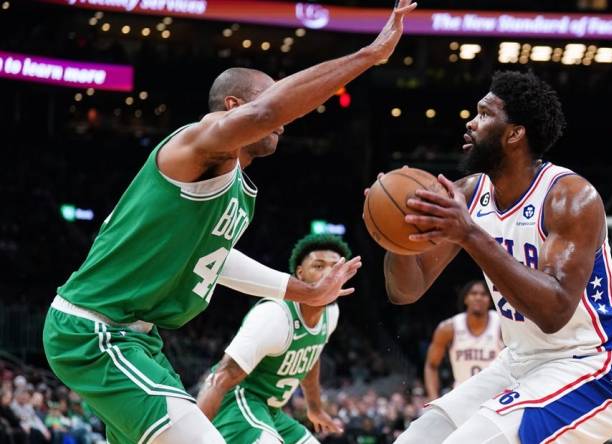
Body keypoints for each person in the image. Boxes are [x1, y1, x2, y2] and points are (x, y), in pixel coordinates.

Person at [42, 2, 417, 443]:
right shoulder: (197, 142)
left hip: (138, 338)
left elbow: (216, 261)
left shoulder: (234, 186)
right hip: (96, 330)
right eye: (270, 99)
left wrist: (308, 291)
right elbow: (268, 114)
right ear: (233, 107)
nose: (283, 121)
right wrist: (369, 56)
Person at [384, 70, 612, 443]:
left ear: (514, 133)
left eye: (485, 114)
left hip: (596, 365)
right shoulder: (470, 194)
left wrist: (470, 233)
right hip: (519, 361)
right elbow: (405, 291)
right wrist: (399, 234)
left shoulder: (569, 197)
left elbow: (554, 311)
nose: (471, 123)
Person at [196, 234, 351, 444]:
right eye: (319, 266)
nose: (328, 274)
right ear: (300, 274)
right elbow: (221, 378)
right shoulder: (275, 315)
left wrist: (314, 409)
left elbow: (311, 356)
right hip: (235, 400)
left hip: (270, 411)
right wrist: (191, 434)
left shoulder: (331, 314)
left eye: (335, 267)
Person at [424, 280, 502, 401]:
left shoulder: (501, 325)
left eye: (483, 294)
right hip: (463, 396)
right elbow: (431, 365)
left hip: (496, 397)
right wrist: (433, 398)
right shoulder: (448, 328)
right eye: (474, 293)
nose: (478, 297)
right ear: (465, 298)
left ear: (490, 300)